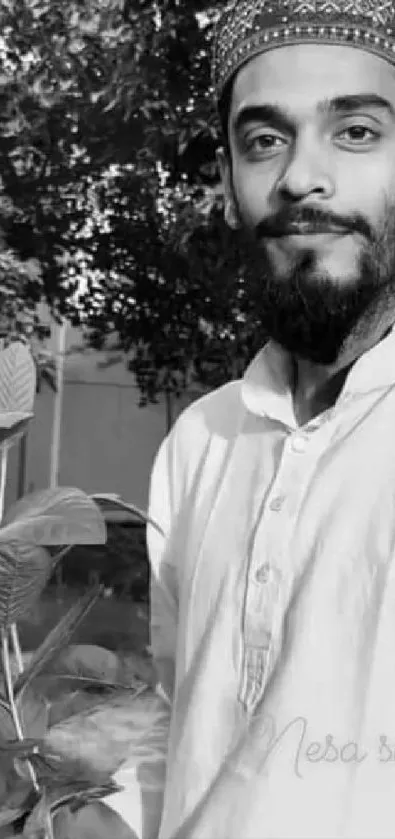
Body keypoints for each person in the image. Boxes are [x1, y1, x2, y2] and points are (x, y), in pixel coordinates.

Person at [105, 1, 395, 837]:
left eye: (356, 132)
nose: (302, 176)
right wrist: (101, 810)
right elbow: (186, 709)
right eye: (264, 140)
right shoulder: (201, 439)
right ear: (228, 185)